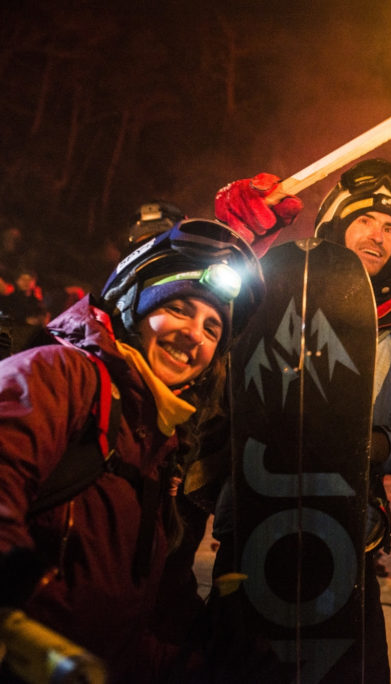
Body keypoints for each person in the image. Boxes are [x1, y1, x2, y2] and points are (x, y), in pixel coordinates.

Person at [0, 218, 273, 682]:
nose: (195, 336)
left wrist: (197, 662)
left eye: (213, 328)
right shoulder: (62, 376)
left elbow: (114, 637)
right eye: (181, 308)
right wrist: (14, 612)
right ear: (132, 307)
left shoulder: (158, 442)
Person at [214, 158, 391, 683]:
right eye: (366, 220)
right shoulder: (261, 294)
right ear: (337, 220)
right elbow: (206, 297)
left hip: (343, 542)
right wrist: (240, 233)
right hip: (253, 528)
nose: (380, 237)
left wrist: (377, 447)